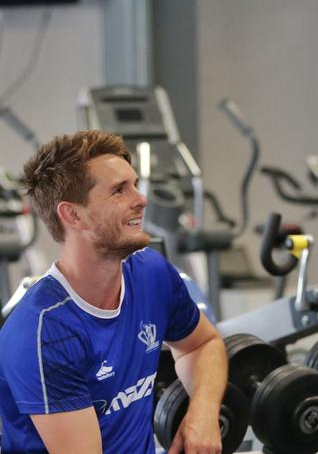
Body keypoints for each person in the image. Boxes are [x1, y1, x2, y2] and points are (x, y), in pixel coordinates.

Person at [0, 130, 227, 454]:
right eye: (120, 190)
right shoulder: (44, 332)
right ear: (73, 215)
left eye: (134, 184)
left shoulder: (151, 273)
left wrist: (203, 413)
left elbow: (203, 344)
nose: (142, 199)